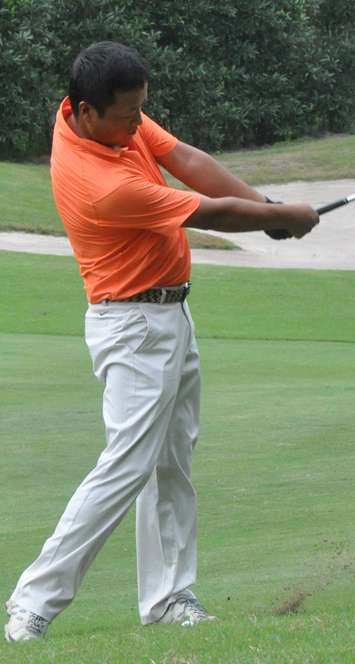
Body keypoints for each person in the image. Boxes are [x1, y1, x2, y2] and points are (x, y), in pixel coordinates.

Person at [4, 41, 319, 643]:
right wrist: (281, 217)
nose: (136, 124)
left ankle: (169, 598)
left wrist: (269, 207)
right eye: (127, 115)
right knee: (127, 465)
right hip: (133, 328)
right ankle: (32, 601)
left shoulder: (101, 116)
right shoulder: (102, 183)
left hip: (170, 314)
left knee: (172, 462)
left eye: (139, 110)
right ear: (86, 111)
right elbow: (210, 213)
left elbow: (187, 158)